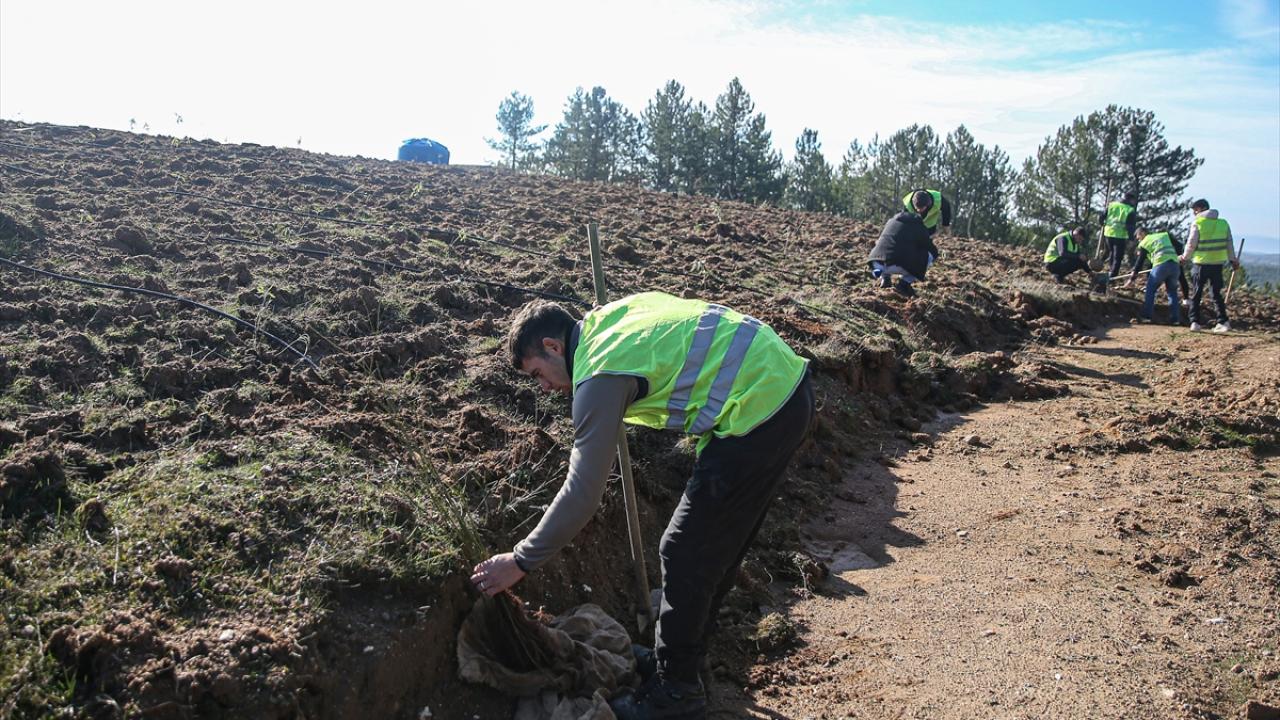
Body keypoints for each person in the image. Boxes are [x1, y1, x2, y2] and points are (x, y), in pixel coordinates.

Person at [471, 292, 815, 719]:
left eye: (539, 374)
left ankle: (677, 692)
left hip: (760, 408)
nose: (544, 388)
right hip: (778, 386)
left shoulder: (598, 374)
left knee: (685, 551)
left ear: (553, 347)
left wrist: (521, 560)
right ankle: (682, 664)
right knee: (710, 550)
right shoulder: (606, 323)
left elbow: (582, 492)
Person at [869, 190, 941, 298]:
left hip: (875, 264)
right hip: (899, 266)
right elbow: (931, 249)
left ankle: (884, 278)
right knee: (928, 256)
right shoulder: (918, 226)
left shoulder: (891, 221)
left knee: (883, 249)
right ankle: (904, 284)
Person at [1181, 198, 1238, 332]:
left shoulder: (1198, 223)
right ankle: (1223, 322)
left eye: (1195, 210)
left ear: (1200, 209)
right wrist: (1233, 260)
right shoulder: (1223, 223)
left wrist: (1184, 258)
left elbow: (1191, 244)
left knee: (1196, 294)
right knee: (1216, 294)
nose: (1194, 213)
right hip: (1217, 264)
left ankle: (1195, 322)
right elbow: (1229, 244)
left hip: (1200, 263)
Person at [1124, 227, 1182, 325]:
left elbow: (1140, 262)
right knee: (1172, 293)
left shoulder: (1145, 242)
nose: (1138, 240)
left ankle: (1146, 316)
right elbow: (1179, 245)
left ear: (1142, 233)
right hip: (1175, 266)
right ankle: (1175, 319)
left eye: (1138, 237)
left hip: (1161, 265)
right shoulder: (1163, 235)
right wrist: (1179, 256)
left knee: (1150, 290)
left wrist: (1131, 279)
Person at [1101, 191, 1139, 284]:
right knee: (1118, 257)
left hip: (1108, 233)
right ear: (1131, 199)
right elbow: (1130, 226)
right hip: (1120, 236)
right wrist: (1131, 239)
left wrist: (1102, 224)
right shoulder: (1130, 210)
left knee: (1112, 253)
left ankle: (1111, 271)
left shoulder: (1112, 205)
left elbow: (1102, 216)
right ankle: (1112, 277)